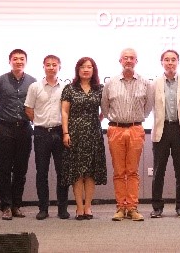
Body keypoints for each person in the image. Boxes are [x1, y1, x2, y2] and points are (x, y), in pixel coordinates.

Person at [101, 48, 153, 221]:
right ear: (120, 61)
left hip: (135, 129)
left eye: (132, 58)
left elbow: (148, 108)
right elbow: (105, 107)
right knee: (118, 171)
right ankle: (120, 207)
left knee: (132, 171)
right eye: (125, 58)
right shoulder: (110, 83)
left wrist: (135, 120)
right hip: (115, 129)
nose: (129, 61)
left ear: (136, 61)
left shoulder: (145, 83)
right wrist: (117, 120)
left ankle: (132, 207)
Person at [0, 48, 36, 220]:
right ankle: (6, 206)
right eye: (15, 59)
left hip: (24, 128)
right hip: (4, 128)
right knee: (4, 169)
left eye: (21, 59)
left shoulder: (32, 82)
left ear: (26, 61)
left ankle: (17, 205)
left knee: (20, 169)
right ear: (9, 61)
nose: (18, 61)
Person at [61, 57, 107, 220]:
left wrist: (96, 121)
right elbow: (64, 112)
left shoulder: (99, 89)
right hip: (75, 134)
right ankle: (79, 208)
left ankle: (88, 206)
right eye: (82, 67)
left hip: (94, 134)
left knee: (91, 172)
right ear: (78, 69)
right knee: (78, 172)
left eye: (89, 67)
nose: (86, 70)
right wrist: (66, 133)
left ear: (94, 70)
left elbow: (105, 110)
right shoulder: (70, 88)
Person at [24, 55, 70, 220]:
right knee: (41, 172)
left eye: (54, 65)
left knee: (62, 172)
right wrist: (39, 122)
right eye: (48, 65)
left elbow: (68, 111)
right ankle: (43, 208)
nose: (51, 67)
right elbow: (29, 109)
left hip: (59, 132)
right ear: (43, 67)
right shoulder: (35, 87)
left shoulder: (66, 87)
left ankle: (62, 209)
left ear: (59, 67)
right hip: (41, 133)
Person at [150, 50, 180, 219]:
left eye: (173, 60)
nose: (170, 63)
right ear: (162, 62)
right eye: (166, 60)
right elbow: (150, 106)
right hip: (161, 129)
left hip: (179, 130)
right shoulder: (154, 83)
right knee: (158, 171)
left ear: (178, 62)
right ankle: (157, 207)